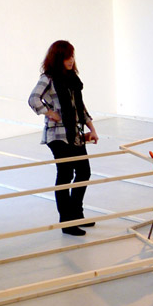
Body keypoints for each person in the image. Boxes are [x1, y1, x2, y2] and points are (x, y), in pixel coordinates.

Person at [28, 41, 99, 236]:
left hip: (74, 133)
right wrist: (50, 113)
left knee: (84, 171)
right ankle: (67, 222)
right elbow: (33, 99)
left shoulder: (72, 79)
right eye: (66, 57)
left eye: (72, 56)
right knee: (65, 175)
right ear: (57, 58)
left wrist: (92, 128)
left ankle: (76, 215)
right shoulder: (48, 78)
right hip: (57, 135)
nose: (71, 60)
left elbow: (79, 107)